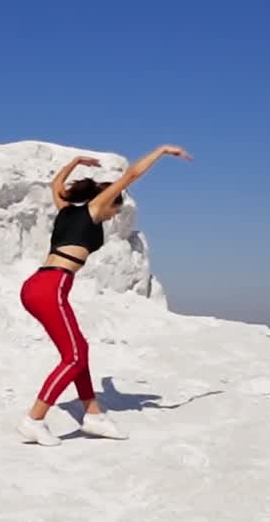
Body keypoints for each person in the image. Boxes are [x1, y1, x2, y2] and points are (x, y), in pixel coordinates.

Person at [18, 145, 192, 446]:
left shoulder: (65, 211)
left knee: (76, 353)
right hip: (52, 286)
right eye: (115, 209)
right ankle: (34, 419)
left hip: (35, 285)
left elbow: (56, 186)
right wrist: (161, 151)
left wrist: (74, 162)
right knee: (75, 356)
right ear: (107, 203)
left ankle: (93, 414)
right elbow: (132, 174)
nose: (113, 215)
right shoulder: (92, 210)